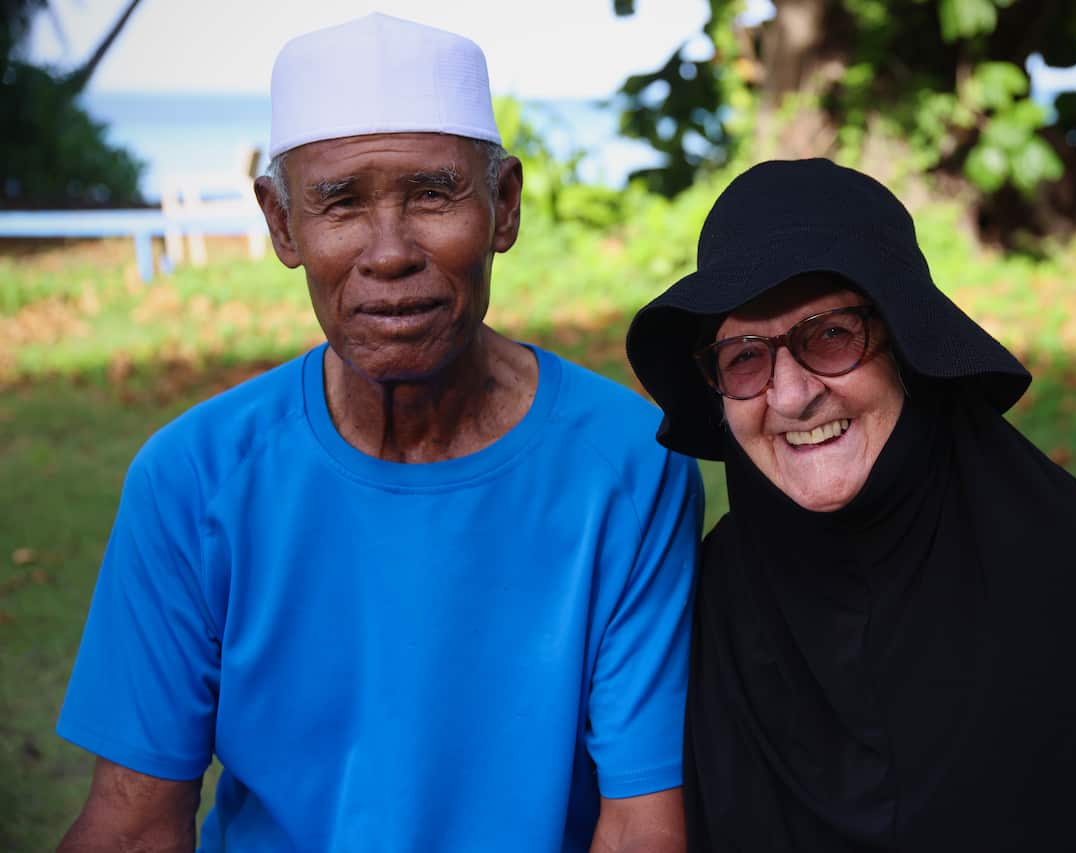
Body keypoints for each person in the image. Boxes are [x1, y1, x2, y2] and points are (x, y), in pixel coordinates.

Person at [56, 14, 700, 852]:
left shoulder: (627, 466)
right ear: (282, 226)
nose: (389, 253)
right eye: (340, 203)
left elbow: (642, 828)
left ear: (504, 206)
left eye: (434, 194)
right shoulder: (193, 478)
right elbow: (138, 823)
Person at [625, 158, 1076, 851]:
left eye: (830, 335)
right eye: (746, 356)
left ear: (907, 347)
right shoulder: (708, 604)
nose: (790, 395)